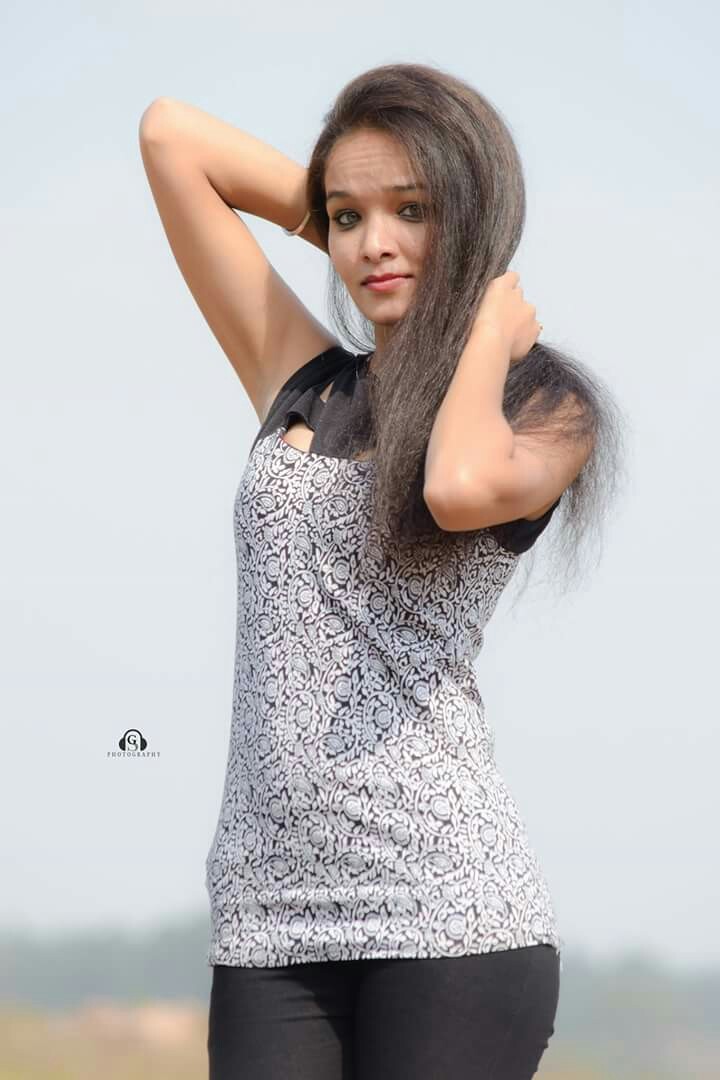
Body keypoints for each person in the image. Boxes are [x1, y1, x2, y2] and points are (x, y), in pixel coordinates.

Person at [139, 61, 626, 1080]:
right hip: (269, 916)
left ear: (471, 217)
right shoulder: (305, 383)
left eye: (414, 209)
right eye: (347, 216)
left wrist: (480, 327)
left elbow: (453, 487)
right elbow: (171, 136)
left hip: (450, 913)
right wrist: (359, 228)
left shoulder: (546, 409)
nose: (373, 242)